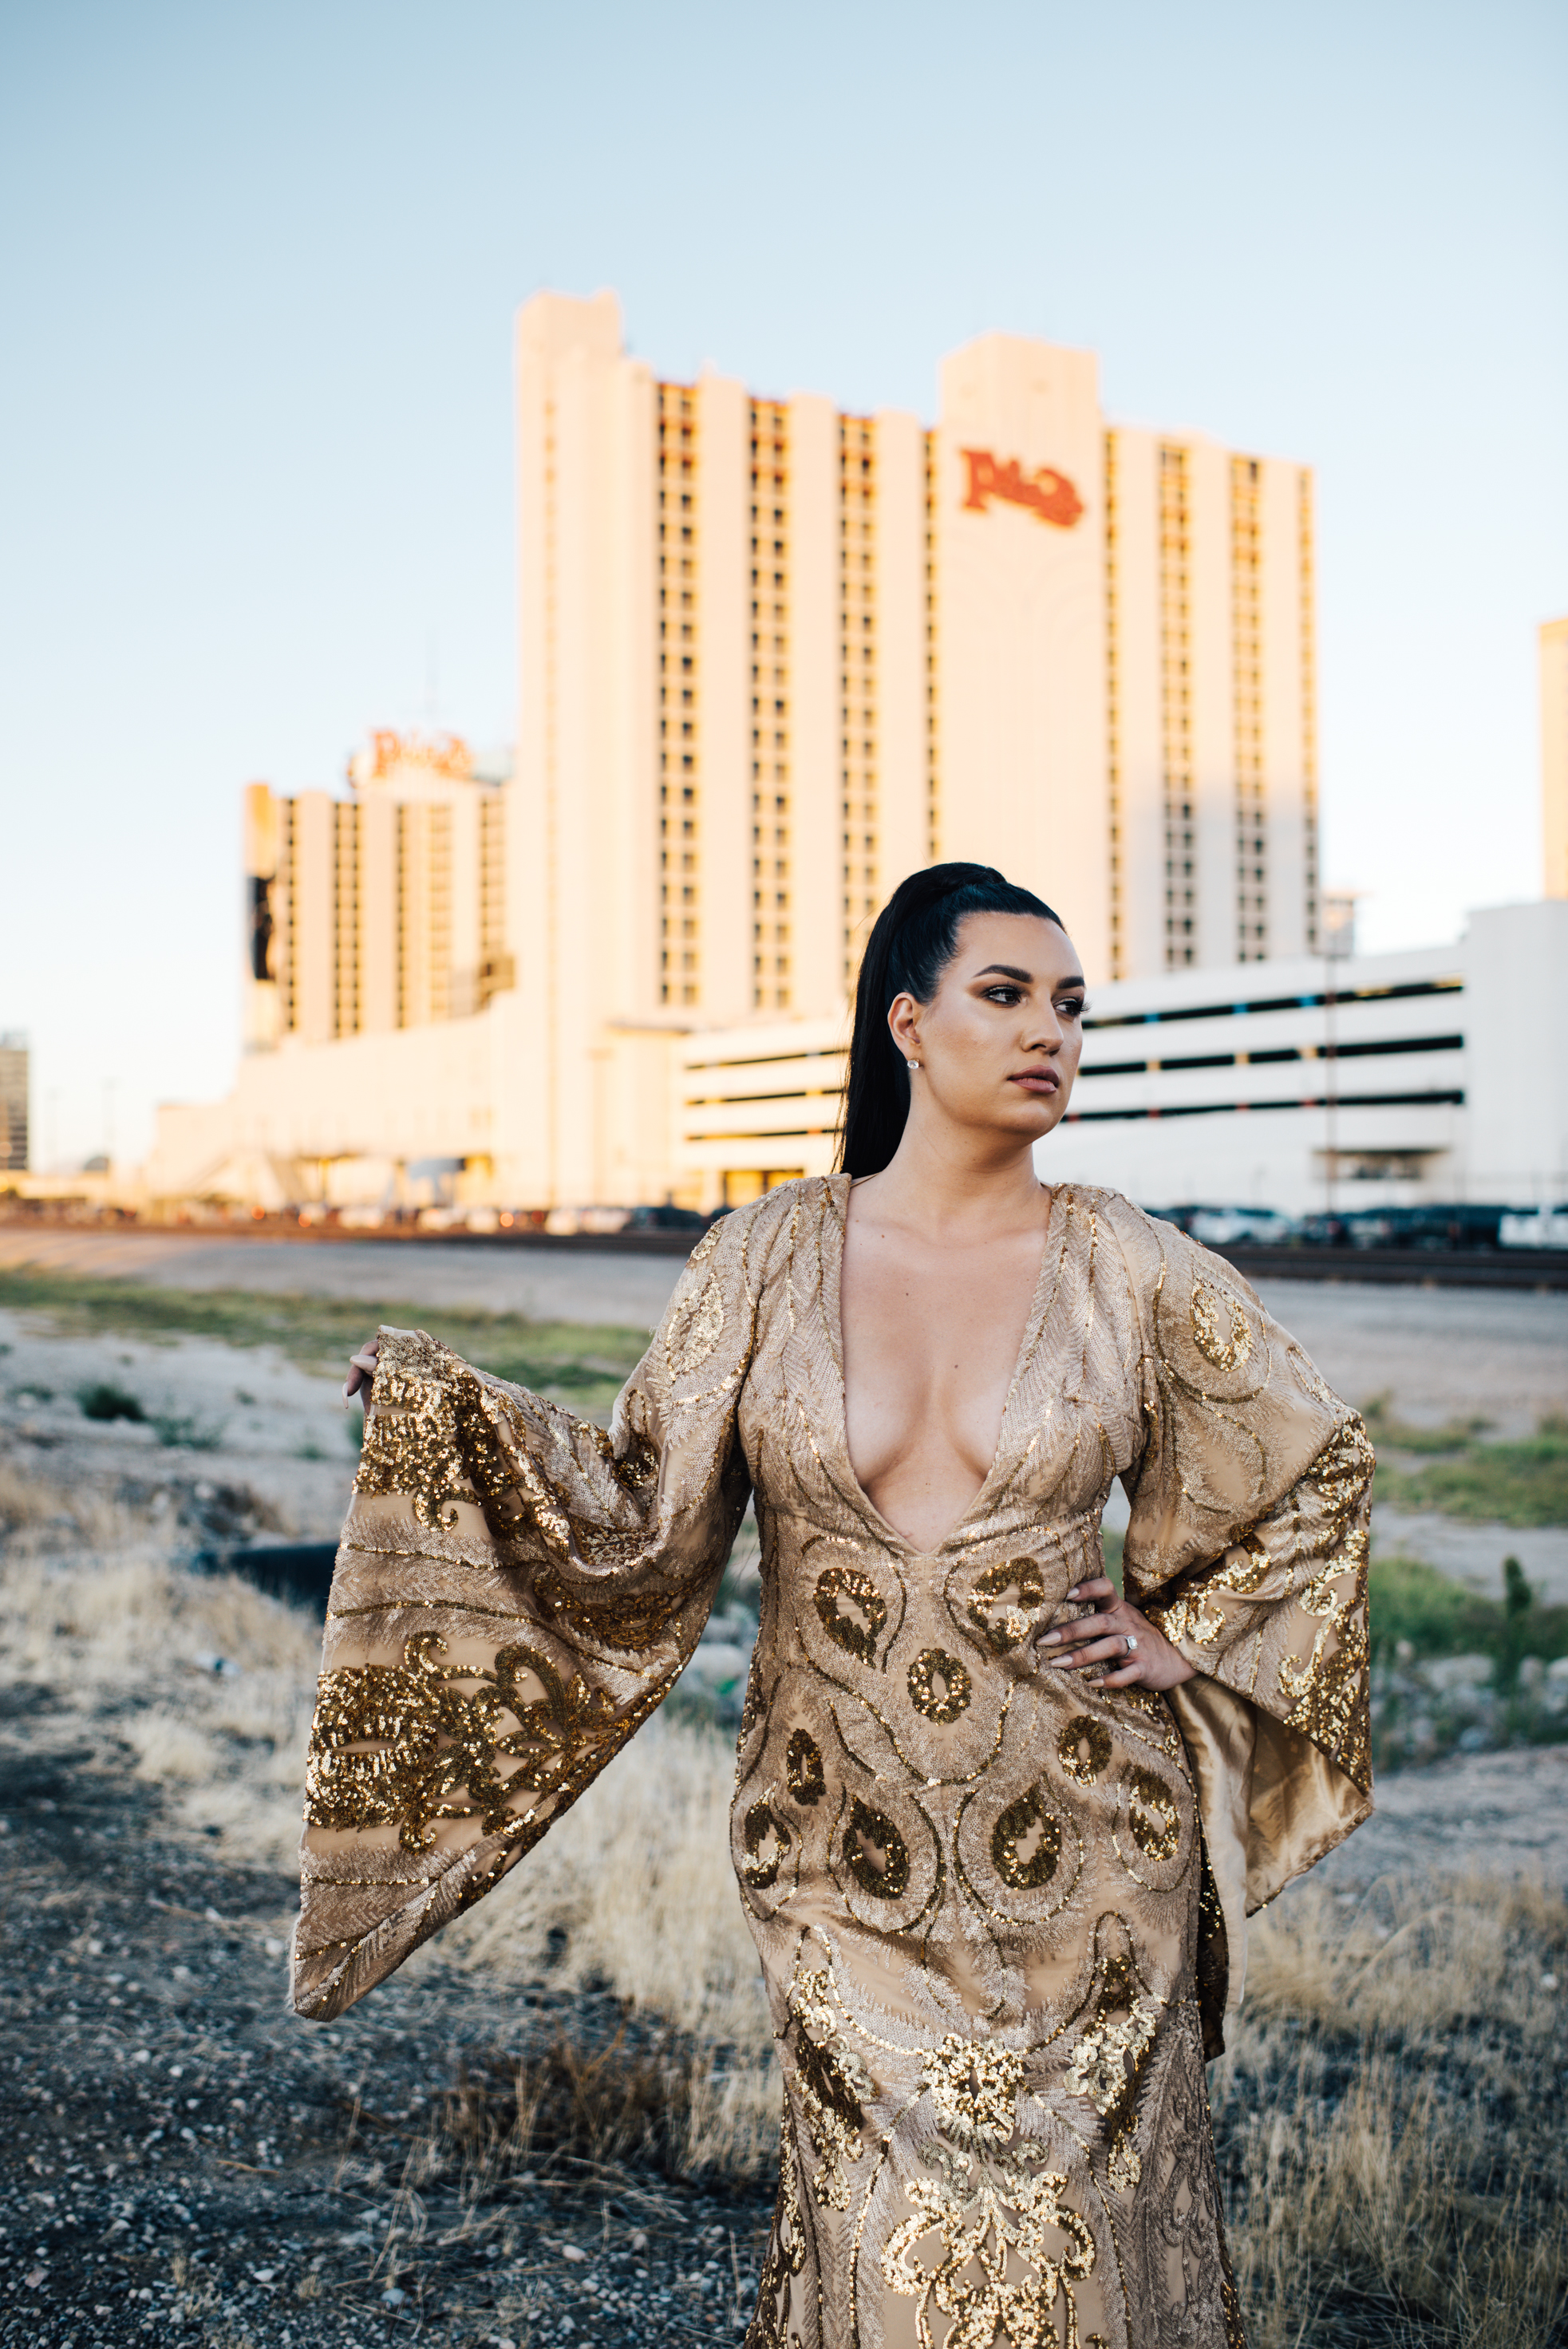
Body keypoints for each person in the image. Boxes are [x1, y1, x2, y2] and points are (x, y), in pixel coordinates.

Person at [297, 864, 1373, 2349]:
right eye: (1004, 995)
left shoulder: (1126, 1262)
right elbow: (633, 1505)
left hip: (1088, 1856)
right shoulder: (762, 1258)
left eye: (1070, 1006)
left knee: (1096, 2262)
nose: (1047, 1031)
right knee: (886, 2257)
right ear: (907, 1023)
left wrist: (1181, 1634)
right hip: (832, 1846)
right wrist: (450, 1417)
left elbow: (1315, 1465)